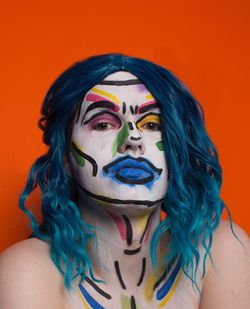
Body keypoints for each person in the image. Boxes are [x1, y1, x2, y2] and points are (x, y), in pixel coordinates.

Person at [0, 54, 249, 309]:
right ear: (65, 157)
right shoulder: (26, 270)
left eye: (152, 124)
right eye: (104, 124)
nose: (133, 138)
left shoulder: (219, 251)